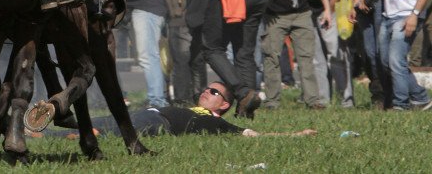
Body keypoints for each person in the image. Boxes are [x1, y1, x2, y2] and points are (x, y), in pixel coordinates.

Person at [44, 82, 316, 138]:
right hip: (148, 113)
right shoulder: (195, 109)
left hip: (158, 122)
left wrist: (297, 134)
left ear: (224, 105)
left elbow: (251, 134)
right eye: (207, 88)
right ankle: (41, 126)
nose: (205, 92)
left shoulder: (216, 123)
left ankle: (60, 131)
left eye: (213, 92)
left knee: (103, 129)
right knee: (98, 121)